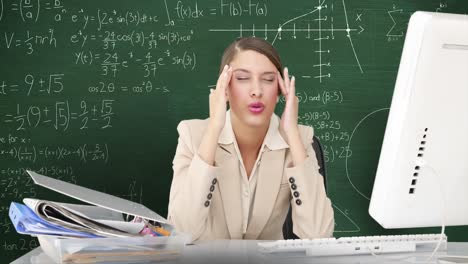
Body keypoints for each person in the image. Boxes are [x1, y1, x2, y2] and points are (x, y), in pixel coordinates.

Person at [167, 37, 334, 241]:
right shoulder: (192, 135)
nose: (257, 91)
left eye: (269, 79)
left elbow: (318, 235)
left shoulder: (300, 139)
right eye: (243, 78)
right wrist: (214, 129)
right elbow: (181, 231)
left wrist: (292, 133)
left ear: (281, 90)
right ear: (225, 87)